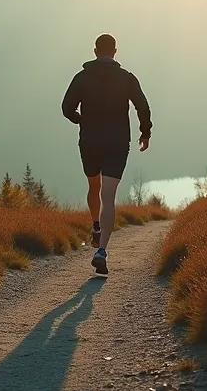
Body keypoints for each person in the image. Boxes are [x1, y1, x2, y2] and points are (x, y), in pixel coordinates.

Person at [61, 33, 152, 275]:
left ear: (94, 51)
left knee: (93, 187)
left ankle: (95, 225)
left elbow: (66, 107)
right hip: (117, 142)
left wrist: (81, 120)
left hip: (90, 141)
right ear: (115, 51)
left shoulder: (82, 78)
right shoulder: (127, 79)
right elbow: (142, 105)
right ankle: (101, 251)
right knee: (108, 195)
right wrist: (145, 133)